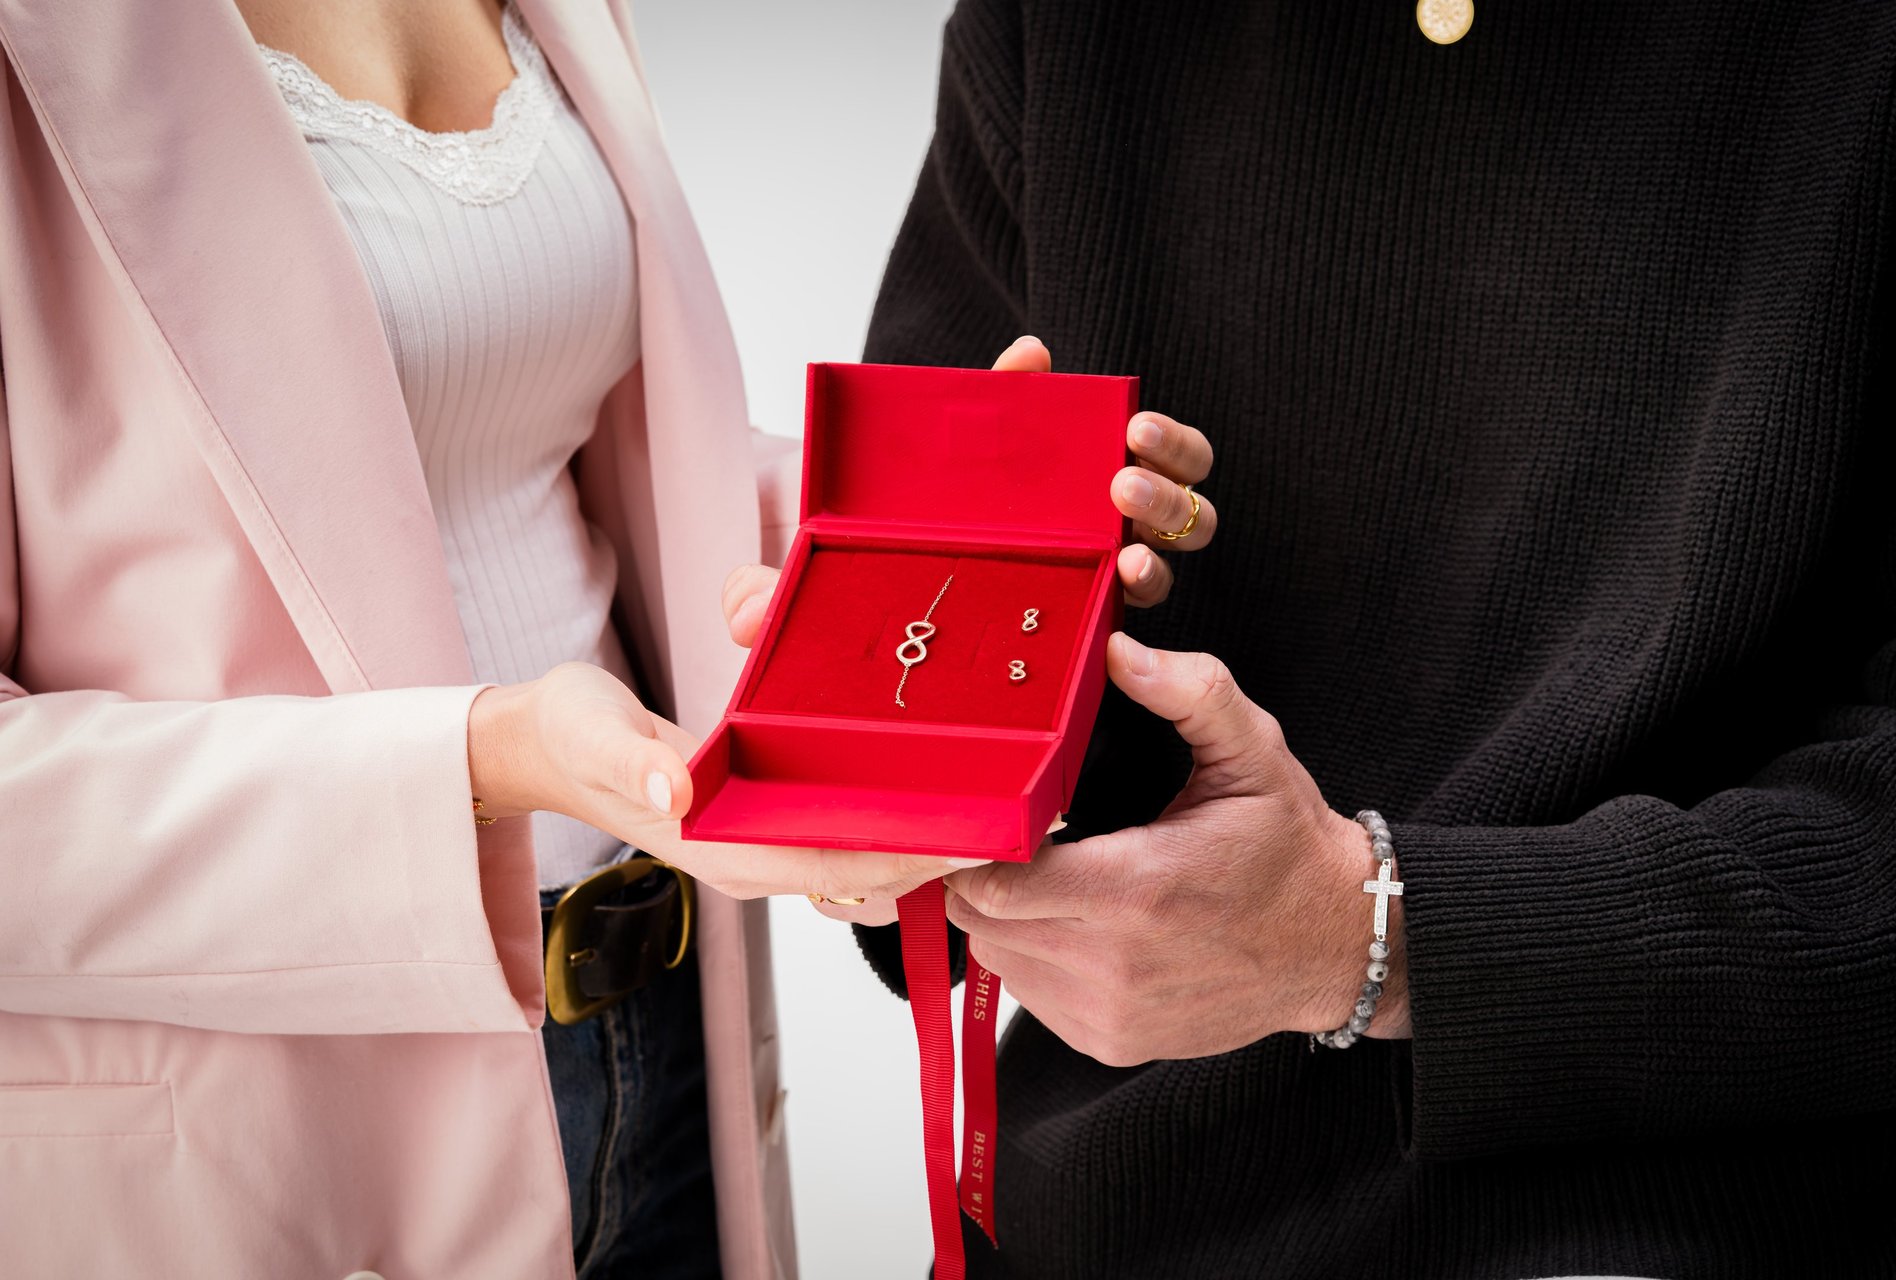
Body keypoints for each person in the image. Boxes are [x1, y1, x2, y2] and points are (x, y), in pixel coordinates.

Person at [0, 2, 1210, 1276]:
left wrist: (940, 521)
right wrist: (495, 755)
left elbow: (572, 456)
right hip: (282, 1113)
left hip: (662, 1004)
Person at [771, 1, 1896, 1276]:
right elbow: (920, 805)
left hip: (1683, 1217)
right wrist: (914, 733)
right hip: (1112, 1210)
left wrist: (1369, 935)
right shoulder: (1061, 31)